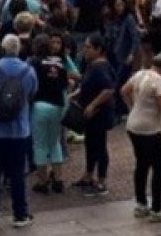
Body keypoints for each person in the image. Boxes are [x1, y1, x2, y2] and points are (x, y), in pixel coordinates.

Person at [0, 34, 37, 230]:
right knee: (18, 174)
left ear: (2, 49)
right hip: (18, 131)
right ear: (18, 49)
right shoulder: (28, 71)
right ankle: (20, 214)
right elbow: (31, 94)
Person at [121, 50, 161, 223]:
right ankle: (157, 209)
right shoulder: (159, 80)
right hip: (150, 128)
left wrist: (133, 106)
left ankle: (141, 204)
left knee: (142, 164)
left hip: (133, 124)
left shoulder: (140, 73)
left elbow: (124, 90)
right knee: (160, 166)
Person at [72, 34, 117, 199]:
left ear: (98, 49)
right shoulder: (92, 65)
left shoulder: (100, 68)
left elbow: (108, 89)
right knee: (90, 144)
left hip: (99, 114)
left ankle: (101, 180)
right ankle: (88, 174)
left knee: (99, 146)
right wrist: (77, 94)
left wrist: (93, 105)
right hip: (90, 115)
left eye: (89, 47)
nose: (85, 50)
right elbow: (87, 85)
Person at [28, 35, 67, 196]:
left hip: (40, 105)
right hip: (57, 105)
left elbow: (31, 85)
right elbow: (65, 84)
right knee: (55, 142)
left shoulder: (34, 63)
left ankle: (42, 181)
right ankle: (58, 179)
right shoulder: (59, 62)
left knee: (40, 144)